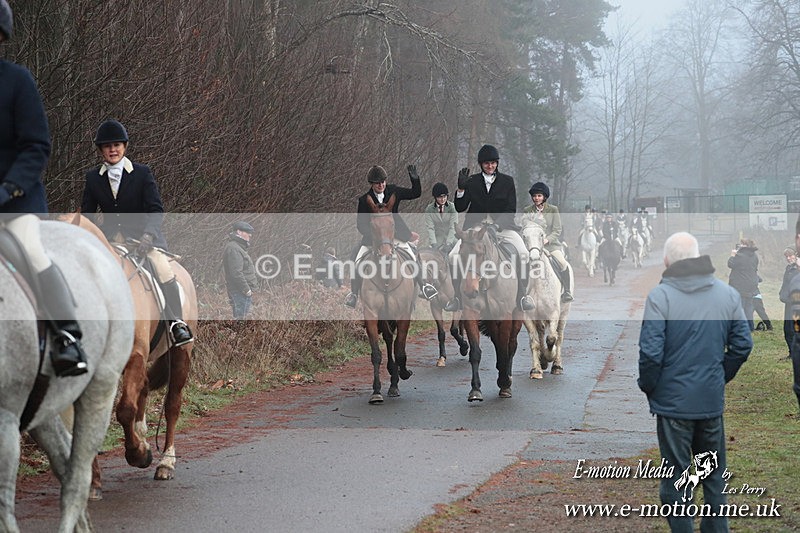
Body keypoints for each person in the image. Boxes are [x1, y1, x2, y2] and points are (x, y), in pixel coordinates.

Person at [638, 232, 752, 532]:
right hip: (710, 402)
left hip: (673, 407)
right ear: (698, 256)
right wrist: (718, 375)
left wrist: (650, 387)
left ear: (666, 261)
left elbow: (650, 354)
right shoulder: (727, 294)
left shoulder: (660, 297)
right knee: (714, 477)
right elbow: (742, 345)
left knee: (676, 478)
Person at [0, 2, 87, 377]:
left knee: (34, 253)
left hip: (14, 203)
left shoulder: (17, 81)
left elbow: (37, 144)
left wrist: (9, 187)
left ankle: (66, 338)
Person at [81, 119, 193, 345]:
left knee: (162, 270)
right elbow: (88, 215)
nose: (112, 150)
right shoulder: (93, 178)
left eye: (116, 145)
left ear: (125, 147)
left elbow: (156, 209)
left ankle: (176, 323)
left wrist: (149, 235)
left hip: (144, 240)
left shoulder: (142, 173)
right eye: (107, 146)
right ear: (101, 150)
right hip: (112, 241)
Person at [444, 144, 534, 312]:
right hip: (474, 230)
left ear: (497, 163)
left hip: (502, 227)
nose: (490, 166)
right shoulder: (472, 182)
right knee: (452, 256)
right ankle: (457, 297)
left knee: (523, 253)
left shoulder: (507, 181)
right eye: (486, 163)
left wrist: (496, 225)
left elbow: (510, 210)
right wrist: (461, 189)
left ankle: (522, 295)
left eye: (493, 163)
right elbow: (460, 206)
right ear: (481, 164)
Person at [344, 165, 437, 308]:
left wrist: (415, 180)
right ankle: (354, 294)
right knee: (355, 258)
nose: (381, 185)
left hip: (397, 234)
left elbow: (415, 193)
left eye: (383, 181)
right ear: (371, 184)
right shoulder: (364, 200)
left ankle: (424, 286)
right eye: (377, 183)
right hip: (373, 239)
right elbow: (361, 225)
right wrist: (377, 236)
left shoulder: (393, 191)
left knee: (412, 255)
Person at [522, 182, 573, 302]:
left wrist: (547, 240)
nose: (536, 198)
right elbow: (524, 227)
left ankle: (567, 291)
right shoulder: (527, 210)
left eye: (539, 196)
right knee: (522, 265)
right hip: (532, 246)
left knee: (562, 263)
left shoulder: (553, 209)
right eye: (534, 196)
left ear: (544, 197)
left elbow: (557, 230)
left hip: (550, 246)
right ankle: (522, 294)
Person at [222, 221, 257, 319]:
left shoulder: (238, 247)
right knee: (241, 321)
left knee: (242, 320)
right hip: (239, 292)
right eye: (247, 232)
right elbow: (236, 273)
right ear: (239, 232)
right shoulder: (234, 248)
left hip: (241, 291)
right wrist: (247, 290)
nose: (250, 235)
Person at [727, 238, 760, 331]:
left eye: (742, 244)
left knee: (739, 307)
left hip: (739, 285)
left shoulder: (739, 256)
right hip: (751, 285)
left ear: (745, 246)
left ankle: (739, 327)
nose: (740, 246)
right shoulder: (755, 256)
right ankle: (750, 327)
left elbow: (730, 264)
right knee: (748, 307)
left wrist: (732, 255)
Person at [424, 182, 458, 254]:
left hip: (452, 239)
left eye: (444, 196)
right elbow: (430, 228)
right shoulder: (429, 209)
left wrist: (449, 243)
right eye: (440, 197)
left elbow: (453, 227)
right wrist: (433, 243)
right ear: (435, 197)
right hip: (437, 239)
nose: (443, 199)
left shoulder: (452, 207)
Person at [779, 247, 799, 358]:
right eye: (786, 256)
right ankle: (792, 353)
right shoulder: (789, 268)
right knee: (787, 330)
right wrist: (781, 293)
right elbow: (785, 284)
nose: (788, 258)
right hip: (788, 303)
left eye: (790, 255)